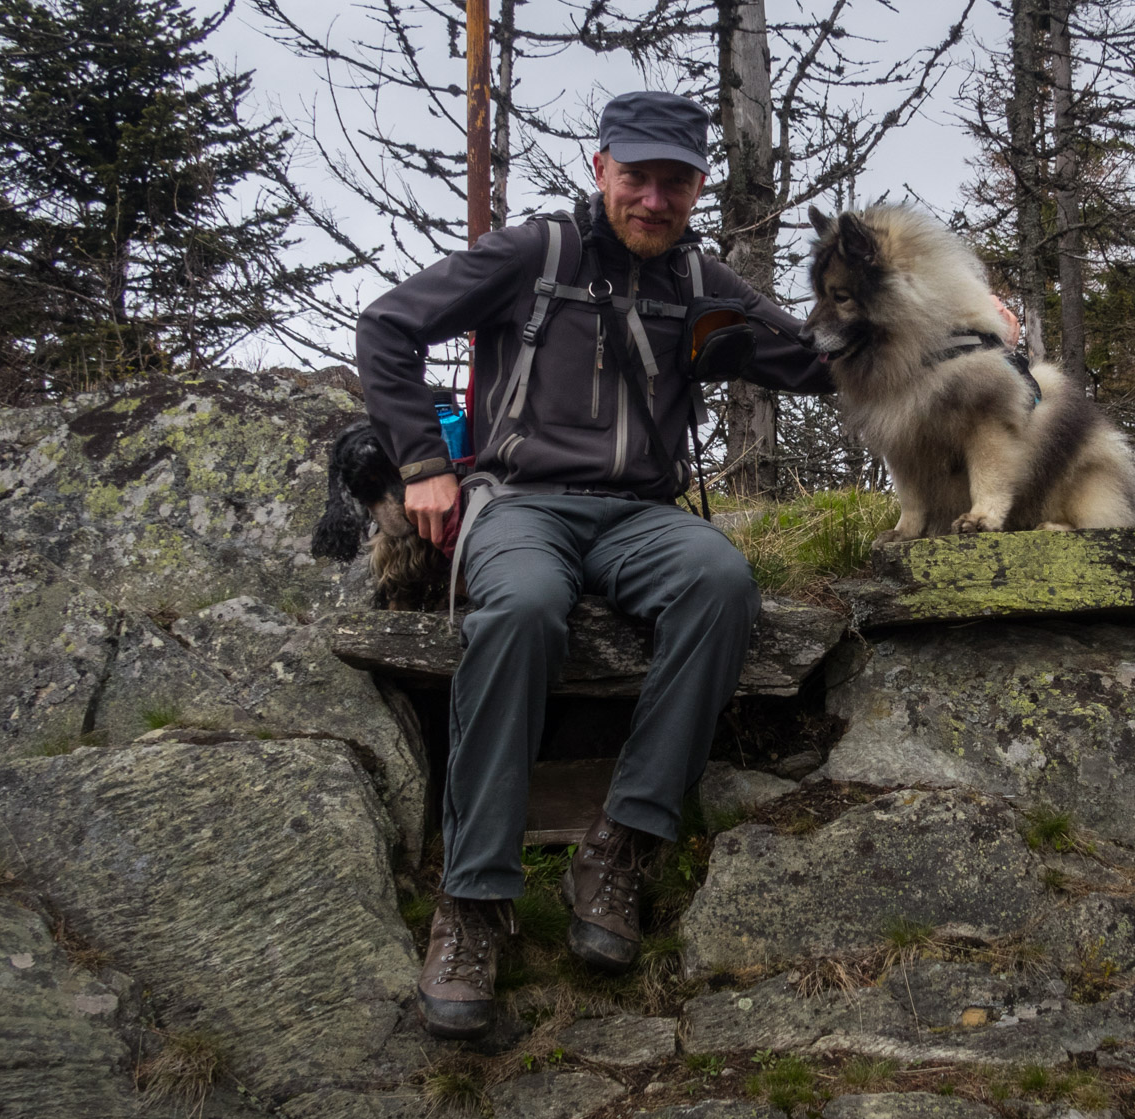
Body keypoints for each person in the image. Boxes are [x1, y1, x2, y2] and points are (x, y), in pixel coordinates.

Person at [355, 91, 832, 1039]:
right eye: (637, 176)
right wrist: (422, 466)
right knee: (525, 608)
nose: (654, 198)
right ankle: (475, 902)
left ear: (698, 186)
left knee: (721, 581)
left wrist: (963, 322)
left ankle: (621, 847)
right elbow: (388, 327)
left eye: (675, 181)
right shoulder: (535, 254)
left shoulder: (703, 283)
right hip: (519, 504)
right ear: (602, 166)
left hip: (641, 518)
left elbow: (821, 360)